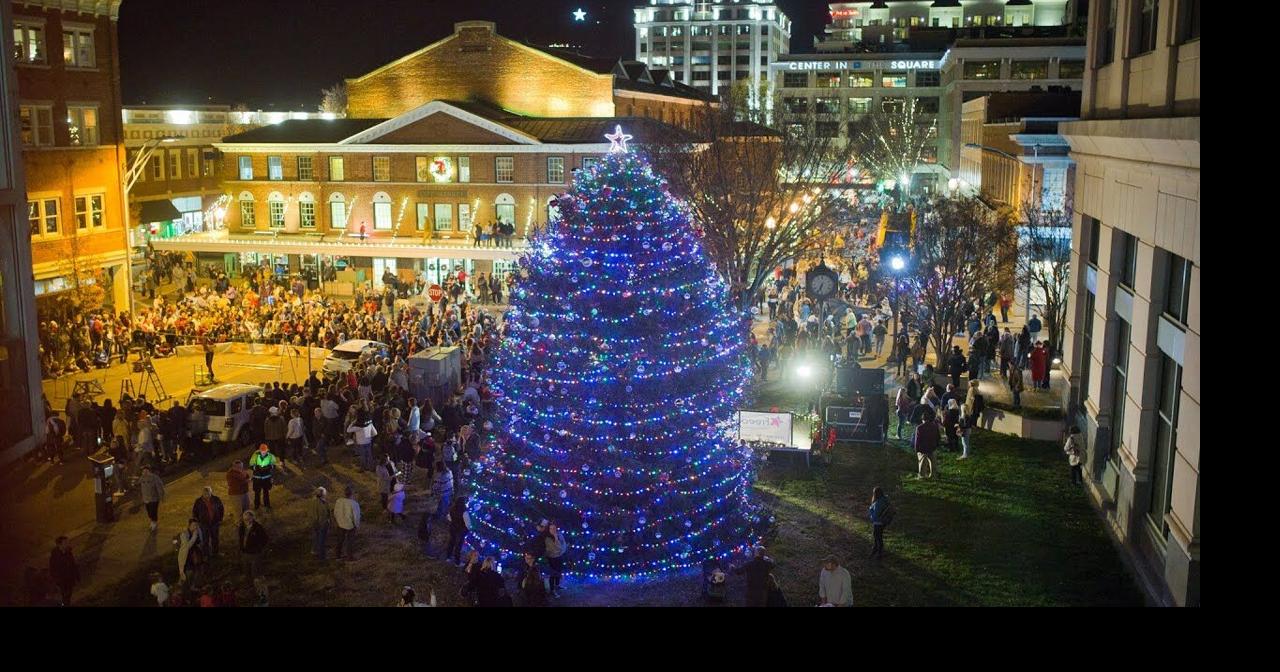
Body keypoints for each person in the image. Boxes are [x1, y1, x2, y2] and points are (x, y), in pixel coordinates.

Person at [191, 486, 225, 557]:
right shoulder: (198, 501)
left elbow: (221, 509)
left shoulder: (216, 499)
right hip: (204, 524)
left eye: (208, 493)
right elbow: (195, 512)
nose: (206, 495)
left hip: (215, 522)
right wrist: (197, 521)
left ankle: (215, 552)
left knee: (215, 538)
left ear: (211, 492)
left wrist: (220, 519)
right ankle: (206, 555)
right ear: (202, 493)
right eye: (205, 493)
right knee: (205, 539)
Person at [237, 510, 269, 582]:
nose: (247, 521)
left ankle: (256, 583)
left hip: (255, 554)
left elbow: (265, 539)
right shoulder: (242, 527)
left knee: (255, 570)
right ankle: (248, 581)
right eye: (245, 519)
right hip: (245, 553)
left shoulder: (258, 528)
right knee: (246, 568)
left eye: (249, 519)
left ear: (252, 518)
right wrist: (241, 549)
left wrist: (259, 548)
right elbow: (241, 539)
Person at [48, 536, 79, 606]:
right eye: (65, 542)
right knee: (64, 596)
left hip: (69, 579)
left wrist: (77, 576)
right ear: (60, 544)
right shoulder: (55, 556)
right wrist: (56, 580)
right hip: (62, 580)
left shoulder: (68, 552)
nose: (68, 544)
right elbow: (53, 568)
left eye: (68, 542)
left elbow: (73, 564)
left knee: (68, 595)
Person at [333, 485, 362, 559]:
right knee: (350, 541)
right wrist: (357, 525)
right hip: (350, 525)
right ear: (352, 494)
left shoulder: (339, 501)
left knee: (340, 540)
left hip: (340, 524)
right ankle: (349, 556)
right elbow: (356, 517)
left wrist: (337, 520)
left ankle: (337, 555)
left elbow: (335, 512)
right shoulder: (354, 504)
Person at [177, 519, 206, 585]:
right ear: (189, 525)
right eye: (193, 525)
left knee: (196, 569)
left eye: (196, 525)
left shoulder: (197, 532)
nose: (195, 527)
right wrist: (194, 537)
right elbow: (187, 546)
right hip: (187, 556)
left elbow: (200, 542)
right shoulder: (184, 534)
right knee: (187, 571)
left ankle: (194, 583)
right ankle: (184, 583)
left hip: (195, 554)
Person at [249, 443, 277, 511]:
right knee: (257, 493)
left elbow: (273, 464)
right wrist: (256, 468)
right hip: (257, 478)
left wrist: (269, 467)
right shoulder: (255, 455)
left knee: (266, 492)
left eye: (265, 452)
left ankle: (267, 504)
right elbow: (251, 464)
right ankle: (257, 505)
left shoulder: (270, 456)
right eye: (262, 452)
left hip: (266, 478)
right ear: (260, 450)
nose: (263, 453)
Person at [913, 411, 940, 479]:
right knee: (933, 462)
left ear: (922, 419)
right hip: (932, 446)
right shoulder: (934, 426)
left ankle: (922, 475)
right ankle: (933, 475)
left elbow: (917, 439)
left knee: (922, 463)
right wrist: (936, 444)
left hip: (923, 448)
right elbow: (938, 436)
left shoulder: (919, 427)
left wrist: (916, 449)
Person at [139, 464, 165, 533]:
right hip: (146, 499)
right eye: (143, 471)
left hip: (154, 498)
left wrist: (161, 496)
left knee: (153, 511)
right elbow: (139, 485)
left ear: (149, 471)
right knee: (149, 512)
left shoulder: (154, 477)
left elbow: (160, 487)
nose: (144, 472)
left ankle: (154, 522)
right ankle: (152, 520)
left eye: (146, 471)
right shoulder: (142, 478)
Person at [446, 495, 472, 566]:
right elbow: (468, 523)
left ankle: (448, 557)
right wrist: (468, 529)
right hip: (460, 531)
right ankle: (457, 562)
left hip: (452, 528)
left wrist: (453, 521)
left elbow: (449, 517)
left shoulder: (452, 509)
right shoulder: (464, 512)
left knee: (451, 542)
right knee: (458, 546)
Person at [543, 520, 566, 598]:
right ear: (548, 529)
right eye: (551, 528)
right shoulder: (547, 538)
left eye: (554, 528)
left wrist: (560, 551)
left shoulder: (560, 534)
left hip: (559, 556)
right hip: (552, 558)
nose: (553, 530)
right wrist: (556, 539)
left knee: (559, 572)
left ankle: (558, 585)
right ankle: (552, 590)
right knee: (553, 574)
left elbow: (563, 545)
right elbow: (552, 549)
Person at [868, 486, 892, 559]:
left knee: (877, 537)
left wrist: (871, 516)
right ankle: (876, 550)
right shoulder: (884, 500)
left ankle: (878, 552)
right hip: (883, 522)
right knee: (878, 536)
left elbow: (876, 515)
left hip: (878, 522)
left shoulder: (878, 503)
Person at [310, 487, 331, 560]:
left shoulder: (312, 501)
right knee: (321, 540)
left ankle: (314, 550)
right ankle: (322, 556)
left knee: (315, 537)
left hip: (314, 522)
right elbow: (325, 514)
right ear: (323, 495)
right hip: (321, 523)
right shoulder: (323, 503)